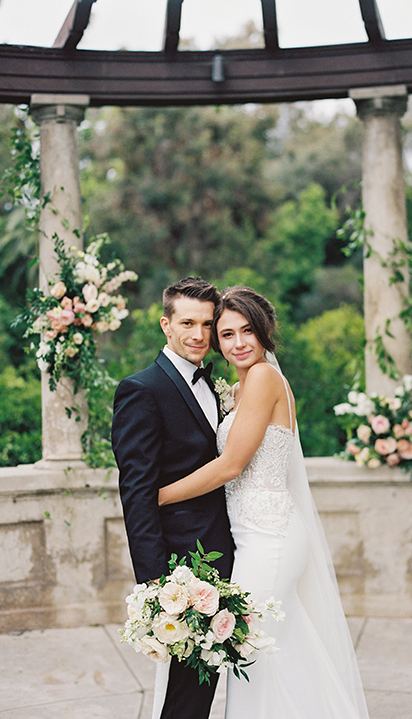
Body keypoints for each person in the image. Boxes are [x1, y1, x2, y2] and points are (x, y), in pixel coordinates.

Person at [157, 286, 370, 719]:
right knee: (275, 650)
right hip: (252, 538)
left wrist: (156, 496)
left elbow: (230, 465)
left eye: (247, 331)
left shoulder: (263, 378)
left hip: (270, 538)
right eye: (227, 334)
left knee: (253, 651)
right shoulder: (238, 387)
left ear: (264, 331)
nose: (238, 343)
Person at [111, 277, 234, 719]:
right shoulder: (142, 390)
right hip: (185, 566)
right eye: (187, 322)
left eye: (207, 323)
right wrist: (156, 584)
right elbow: (137, 492)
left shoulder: (214, 383)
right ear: (166, 324)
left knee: (201, 685)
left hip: (225, 549)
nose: (198, 334)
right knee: (189, 692)